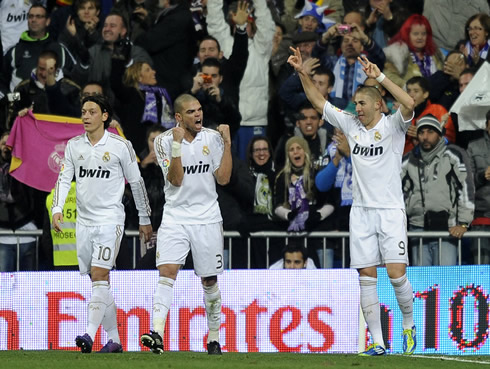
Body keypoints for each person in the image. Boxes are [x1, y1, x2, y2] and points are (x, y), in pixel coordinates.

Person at [287, 47, 416, 355]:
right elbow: (319, 101)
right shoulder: (350, 125)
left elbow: (410, 102)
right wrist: (302, 73)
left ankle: (409, 327)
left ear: (378, 105)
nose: (357, 107)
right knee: (366, 277)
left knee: (397, 275)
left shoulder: (394, 127)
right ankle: (378, 342)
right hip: (360, 213)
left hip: (389, 211)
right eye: (356, 103)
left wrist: (380, 76)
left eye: (362, 103)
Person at [51, 94, 153, 353]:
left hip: (110, 220)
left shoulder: (121, 146)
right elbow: (64, 179)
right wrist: (57, 209)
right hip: (84, 223)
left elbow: (137, 182)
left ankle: (88, 333)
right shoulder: (74, 146)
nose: (85, 116)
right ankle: (115, 340)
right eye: (83, 111)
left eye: (91, 111)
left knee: (99, 274)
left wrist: (144, 218)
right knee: (100, 282)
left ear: (105, 116)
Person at [140, 94, 232, 355]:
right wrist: (177, 147)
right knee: (167, 271)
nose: (198, 115)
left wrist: (227, 143)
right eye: (191, 112)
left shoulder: (213, 138)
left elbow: (224, 178)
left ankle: (214, 338)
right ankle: (156, 332)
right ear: (178, 117)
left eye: (200, 110)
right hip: (176, 216)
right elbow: (176, 180)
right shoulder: (163, 142)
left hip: (207, 218)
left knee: (209, 280)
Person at [401, 114, 475, 266]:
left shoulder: (454, 155)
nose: (425, 137)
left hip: (448, 228)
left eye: (430, 132)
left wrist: (463, 223)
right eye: (421, 132)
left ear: (439, 134)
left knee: (445, 281)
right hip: (417, 228)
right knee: (422, 285)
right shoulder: (409, 159)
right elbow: (395, 191)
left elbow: (466, 188)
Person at [206, 0, 275, 161]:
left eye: (247, 21)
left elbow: (266, 25)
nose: (243, 22)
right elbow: (215, 20)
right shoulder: (225, 44)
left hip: (254, 122)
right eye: (239, 19)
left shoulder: (261, 48)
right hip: (226, 121)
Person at [1, 4, 75, 95]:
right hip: (22, 107)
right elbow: (1, 83)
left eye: (38, 16)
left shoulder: (60, 50)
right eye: (30, 16)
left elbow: (73, 80)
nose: (34, 20)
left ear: (47, 21)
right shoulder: (14, 51)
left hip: (53, 106)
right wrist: (14, 102)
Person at [110, 60, 175, 154]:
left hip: (161, 144)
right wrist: (119, 59)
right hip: (137, 148)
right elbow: (115, 84)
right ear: (139, 77)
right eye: (148, 70)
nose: (154, 72)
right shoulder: (130, 94)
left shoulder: (160, 94)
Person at [0, 131, 38, 272]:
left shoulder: (26, 168)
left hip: (28, 235)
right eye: (3, 143)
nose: (6, 147)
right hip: (3, 238)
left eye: (10, 144)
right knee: (4, 286)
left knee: (29, 287)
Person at [12, 50, 81, 120]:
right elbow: (9, 113)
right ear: (37, 66)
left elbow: (79, 118)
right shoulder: (21, 88)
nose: (44, 74)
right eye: (41, 69)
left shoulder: (72, 89)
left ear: (56, 68)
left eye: (49, 69)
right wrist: (19, 115)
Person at [383, 14, 444, 89]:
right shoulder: (396, 53)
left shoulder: (436, 54)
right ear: (407, 34)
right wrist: (408, 88)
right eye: (416, 34)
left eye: (423, 34)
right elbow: (389, 76)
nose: (420, 37)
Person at [189, 57, 242, 138]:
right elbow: (180, 117)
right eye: (206, 76)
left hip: (220, 142)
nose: (209, 80)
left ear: (220, 79)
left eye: (213, 76)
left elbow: (235, 123)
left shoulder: (227, 97)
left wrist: (221, 101)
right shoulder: (192, 95)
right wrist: (192, 92)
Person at [404, 76, 456, 155]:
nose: (411, 95)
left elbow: (449, 139)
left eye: (416, 91)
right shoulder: (403, 114)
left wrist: (422, 136)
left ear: (425, 94)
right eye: (409, 91)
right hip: (407, 161)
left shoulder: (438, 111)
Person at [466, 110, 490, 264]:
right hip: (481, 215)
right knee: (481, 267)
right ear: (487, 126)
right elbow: (465, 182)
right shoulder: (474, 147)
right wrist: (482, 176)